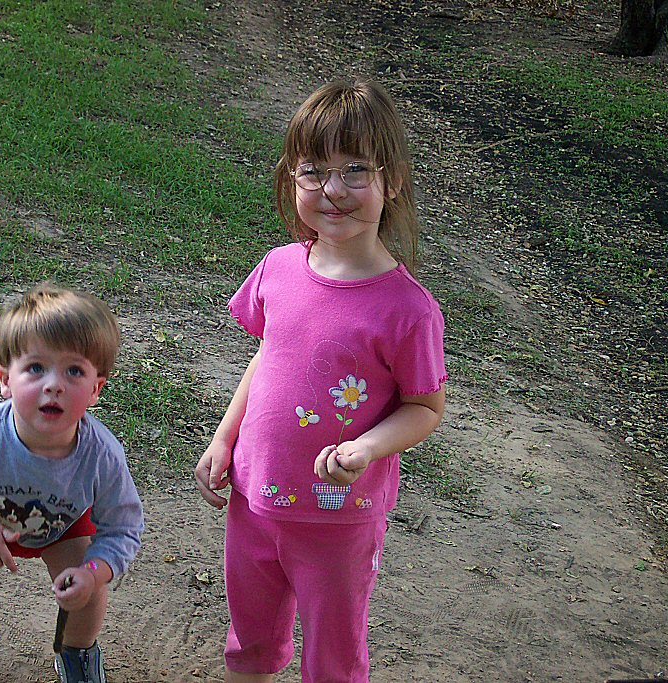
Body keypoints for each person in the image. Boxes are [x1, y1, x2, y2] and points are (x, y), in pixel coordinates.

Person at [194, 78, 447, 683]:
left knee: (332, 658)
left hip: (340, 520)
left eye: (355, 170)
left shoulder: (407, 310)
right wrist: (225, 438)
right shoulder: (278, 268)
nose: (332, 190)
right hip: (256, 499)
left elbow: (425, 406)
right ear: (292, 178)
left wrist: (368, 447)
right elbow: (268, 355)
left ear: (393, 181)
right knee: (249, 642)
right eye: (313, 171)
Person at [0, 283, 144, 683]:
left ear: (95, 389)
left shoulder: (101, 455)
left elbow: (123, 526)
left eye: (74, 371)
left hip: (64, 525)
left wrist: (94, 572)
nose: (54, 384)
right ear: (5, 380)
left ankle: (77, 652)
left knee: (86, 592)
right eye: (36, 368)